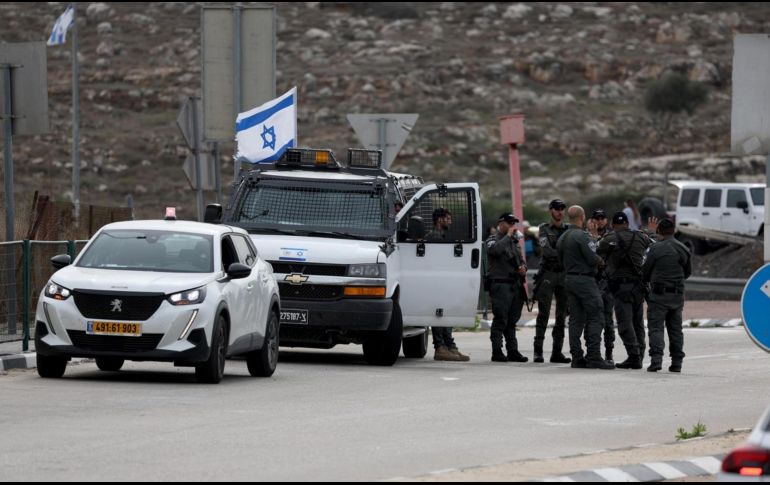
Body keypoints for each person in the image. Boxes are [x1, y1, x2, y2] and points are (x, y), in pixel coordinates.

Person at [556, 206, 614, 370]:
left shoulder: (563, 237)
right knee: (596, 315)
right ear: (582, 217)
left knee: (575, 319)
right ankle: (594, 356)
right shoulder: (581, 236)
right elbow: (592, 257)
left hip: (569, 279)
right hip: (585, 280)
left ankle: (577, 357)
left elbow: (559, 260)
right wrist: (600, 261)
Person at [596, 211, 653, 370]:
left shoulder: (609, 239)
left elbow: (595, 250)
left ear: (613, 225)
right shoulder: (641, 237)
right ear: (627, 223)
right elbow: (652, 242)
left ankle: (633, 355)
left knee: (624, 323)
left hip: (621, 287)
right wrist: (651, 231)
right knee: (638, 323)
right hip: (639, 287)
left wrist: (594, 234)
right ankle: (640, 355)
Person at [642, 218, 692, 373]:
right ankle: (677, 362)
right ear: (674, 230)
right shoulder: (683, 248)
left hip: (658, 296)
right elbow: (687, 272)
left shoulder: (656, 249)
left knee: (656, 328)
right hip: (677, 297)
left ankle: (656, 360)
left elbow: (645, 271)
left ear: (659, 232)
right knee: (676, 329)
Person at [426, 208, 470, 362]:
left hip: (444, 281)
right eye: (448, 218)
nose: (450, 221)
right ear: (440, 220)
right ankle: (440, 347)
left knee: (446, 314)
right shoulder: (433, 237)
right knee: (438, 315)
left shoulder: (444, 236)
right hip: (437, 281)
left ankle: (450, 345)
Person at [486, 213, 528, 363]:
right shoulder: (493, 239)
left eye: (513, 223)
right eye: (509, 223)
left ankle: (512, 350)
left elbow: (521, 259)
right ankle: (497, 350)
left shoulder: (514, 241)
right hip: (500, 285)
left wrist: (523, 268)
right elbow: (494, 251)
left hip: (514, 285)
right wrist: (508, 236)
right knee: (500, 319)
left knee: (512, 320)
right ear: (501, 223)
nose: (512, 226)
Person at [532, 199, 571, 364]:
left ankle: (557, 352)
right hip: (548, 273)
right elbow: (547, 251)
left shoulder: (569, 229)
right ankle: (538, 352)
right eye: (556, 209)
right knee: (544, 314)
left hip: (563, 275)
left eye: (562, 208)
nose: (560, 211)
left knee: (562, 316)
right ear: (550, 211)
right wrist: (565, 254)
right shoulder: (544, 228)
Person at [587, 208, 616, 364]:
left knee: (608, 320)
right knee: (591, 319)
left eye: (602, 218)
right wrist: (592, 236)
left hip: (607, 283)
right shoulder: (586, 237)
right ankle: (592, 351)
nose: (599, 221)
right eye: (596, 218)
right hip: (592, 283)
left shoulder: (611, 236)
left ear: (606, 220)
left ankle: (609, 352)